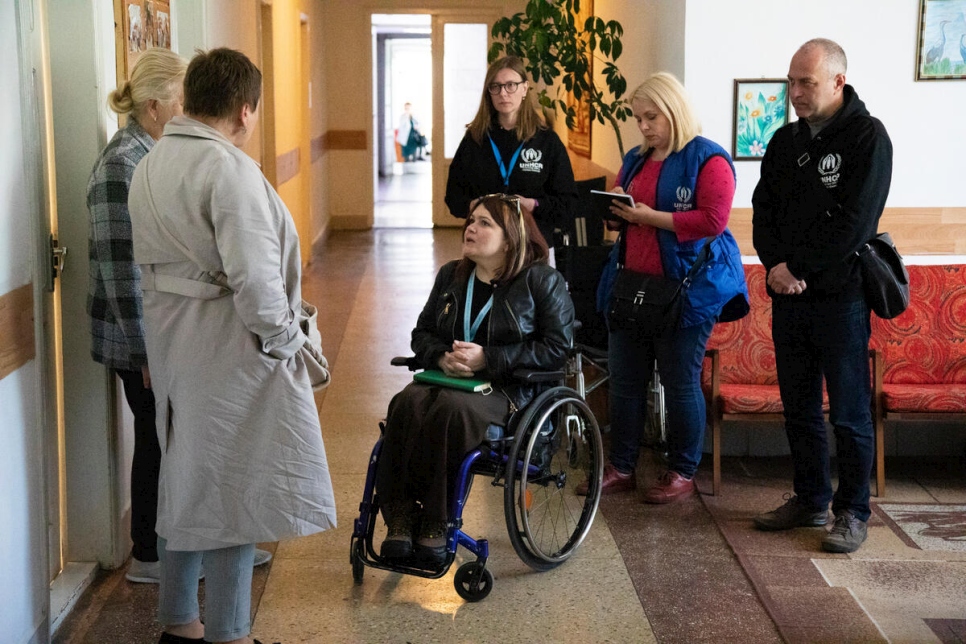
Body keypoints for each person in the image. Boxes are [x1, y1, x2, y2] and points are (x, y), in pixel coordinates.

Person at [129, 48, 337, 644]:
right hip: (230, 350)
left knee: (186, 481)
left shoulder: (153, 161)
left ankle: (178, 621)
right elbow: (257, 285)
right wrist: (286, 345)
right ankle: (229, 632)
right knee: (235, 492)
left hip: (175, 344)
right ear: (246, 109)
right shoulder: (230, 170)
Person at [86, 47, 272, 586]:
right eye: (180, 101)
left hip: (165, 333)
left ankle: (207, 548)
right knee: (159, 439)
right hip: (141, 339)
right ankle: (151, 552)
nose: (188, 110)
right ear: (152, 106)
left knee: (178, 440)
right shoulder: (126, 164)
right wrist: (148, 353)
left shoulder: (159, 153)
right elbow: (125, 274)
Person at [375, 194, 574, 567]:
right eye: (471, 220)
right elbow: (422, 332)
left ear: (510, 238)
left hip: (512, 391)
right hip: (450, 381)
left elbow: (557, 349)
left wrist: (490, 358)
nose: (471, 228)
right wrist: (439, 356)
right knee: (406, 403)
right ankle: (400, 517)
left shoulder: (541, 282)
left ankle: (435, 522)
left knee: (452, 411)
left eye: (485, 223)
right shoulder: (452, 275)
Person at [751, 39, 893, 554]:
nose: (794, 92)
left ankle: (853, 511)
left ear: (837, 81)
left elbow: (856, 224)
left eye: (805, 82)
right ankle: (809, 497)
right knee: (799, 408)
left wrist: (800, 268)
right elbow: (762, 210)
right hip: (789, 297)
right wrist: (775, 268)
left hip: (841, 299)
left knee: (849, 414)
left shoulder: (868, 138)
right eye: (790, 81)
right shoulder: (785, 142)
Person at [585, 72, 749, 504]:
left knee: (679, 383)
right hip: (631, 289)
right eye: (638, 118)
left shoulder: (708, 159)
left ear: (674, 110)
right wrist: (616, 212)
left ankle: (682, 471)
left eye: (651, 116)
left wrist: (646, 216)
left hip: (687, 291)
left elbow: (712, 221)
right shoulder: (636, 158)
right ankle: (621, 466)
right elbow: (623, 218)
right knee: (624, 382)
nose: (644, 126)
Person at [445, 56, 577, 253]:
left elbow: (569, 204)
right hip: (484, 248)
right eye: (495, 86)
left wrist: (532, 205)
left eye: (510, 85)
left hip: (532, 247)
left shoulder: (546, 141)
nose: (503, 93)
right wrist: (473, 205)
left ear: (524, 88)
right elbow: (453, 197)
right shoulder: (475, 139)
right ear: (488, 92)